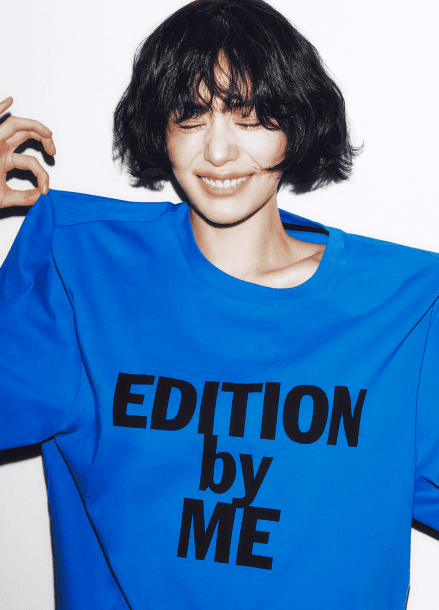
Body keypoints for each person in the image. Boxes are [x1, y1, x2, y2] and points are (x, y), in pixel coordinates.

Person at [0, 0, 438, 608]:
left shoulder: (406, 307)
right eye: (190, 116)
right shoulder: (82, 269)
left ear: (295, 123)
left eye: (250, 117)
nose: (219, 152)